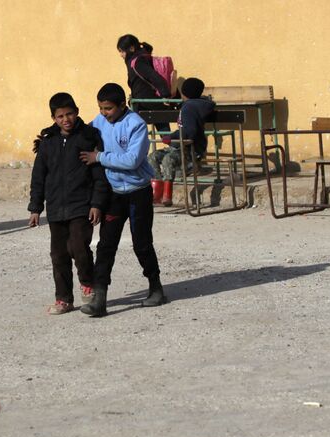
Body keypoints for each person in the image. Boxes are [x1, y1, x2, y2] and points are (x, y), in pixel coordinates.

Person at [79, 83, 166, 317]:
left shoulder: (136, 124)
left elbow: (132, 161)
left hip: (138, 192)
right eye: (100, 108)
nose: (103, 113)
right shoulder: (99, 122)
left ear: (121, 105)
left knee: (142, 243)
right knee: (106, 245)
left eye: (108, 108)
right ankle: (100, 298)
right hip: (113, 193)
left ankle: (156, 287)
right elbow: (83, 132)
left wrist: (99, 157)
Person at [28, 92, 110, 315]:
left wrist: (97, 204)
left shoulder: (89, 137)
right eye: (60, 116)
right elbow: (38, 177)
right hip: (55, 208)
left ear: (77, 112)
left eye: (70, 114)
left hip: (81, 204)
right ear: (53, 117)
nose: (66, 119)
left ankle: (88, 284)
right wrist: (35, 208)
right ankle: (64, 298)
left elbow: (99, 175)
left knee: (79, 248)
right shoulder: (47, 143)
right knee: (59, 255)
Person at [147, 78, 216, 206]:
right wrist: (172, 136)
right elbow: (185, 130)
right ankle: (157, 191)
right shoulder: (191, 106)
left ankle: (167, 194)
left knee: (168, 159)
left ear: (183, 93)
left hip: (191, 151)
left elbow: (189, 132)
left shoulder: (189, 108)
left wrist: (171, 139)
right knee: (153, 157)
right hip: (181, 147)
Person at [116, 34, 173, 135]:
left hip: (147, 103)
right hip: (150, 103)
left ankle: (177, 146)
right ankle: (176, 146)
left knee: (131, 128)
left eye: (122, 51)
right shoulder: (140, 58)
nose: (120, 55)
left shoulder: (137, 61)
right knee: (165, 134)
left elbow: (154, 77)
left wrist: (165, 95)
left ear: (131, 48)